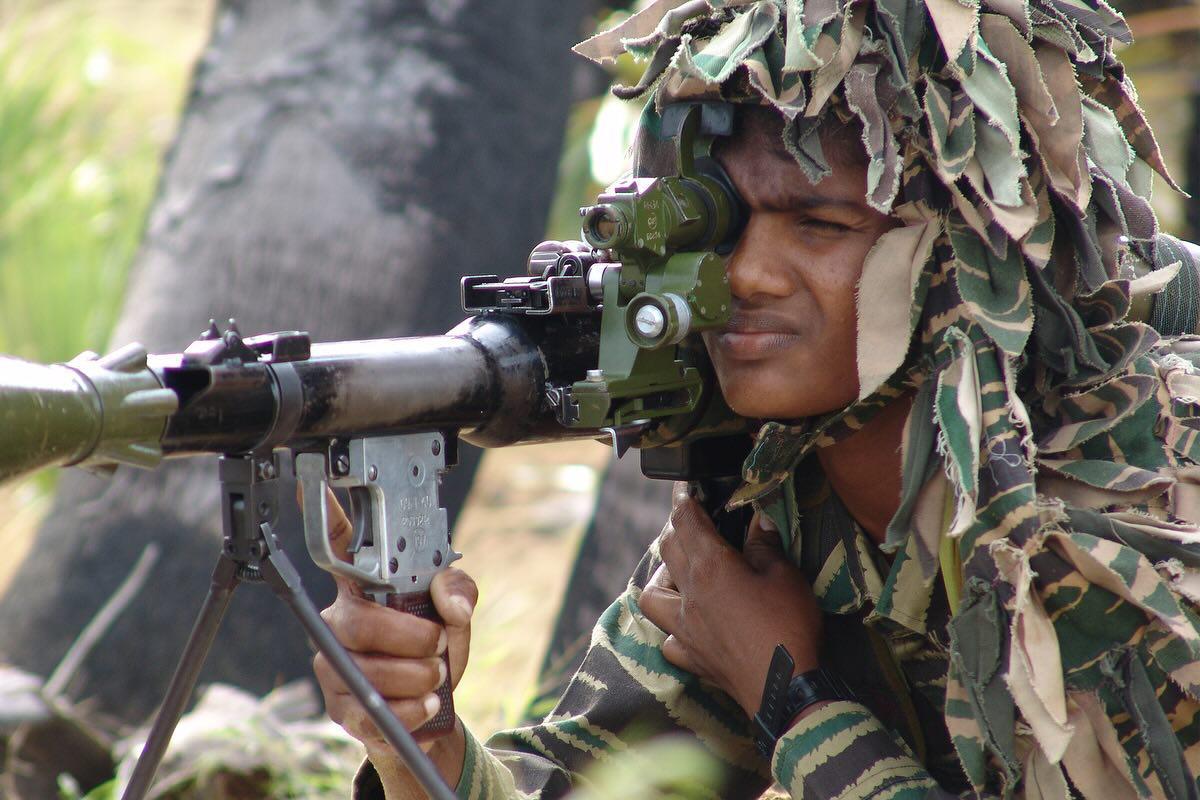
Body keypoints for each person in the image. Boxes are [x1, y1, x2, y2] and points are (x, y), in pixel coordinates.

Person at [315, 1, 1200, 797]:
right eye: (723, 224)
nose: (743, 276)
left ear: (969, 257)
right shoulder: (781, 488)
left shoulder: (1129, 509)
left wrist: (795, 701)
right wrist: (420, 740)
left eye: (821, 225)